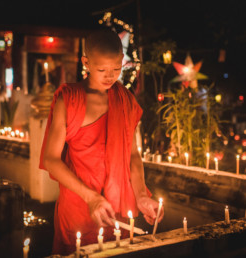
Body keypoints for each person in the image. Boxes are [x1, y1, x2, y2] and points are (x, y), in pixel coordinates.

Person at [39, 29, 164, 255]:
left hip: (116, 209)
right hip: (79, 206)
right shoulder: (70, 99)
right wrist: (92, 198)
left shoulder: (125, 99)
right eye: (102, 69)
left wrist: (142, 195)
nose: (110, 76)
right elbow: (51, 160)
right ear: (86, 62)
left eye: (116, 69)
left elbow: (133, 155)